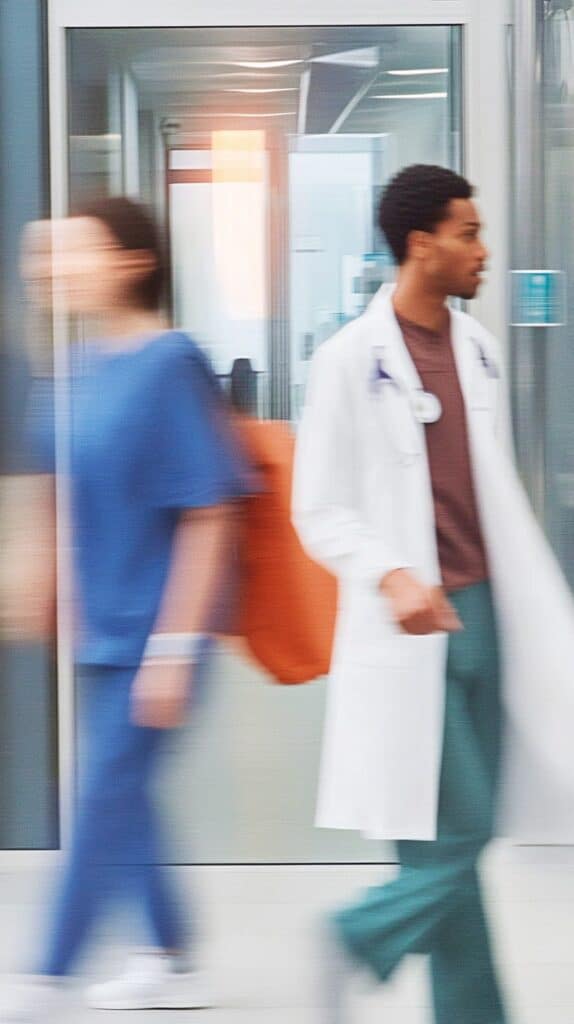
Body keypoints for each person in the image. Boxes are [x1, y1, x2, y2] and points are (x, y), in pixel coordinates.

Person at [292, 164, 574, 1024]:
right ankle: (357, 934)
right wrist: (391, 572)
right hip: (407, 627)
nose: (483, 251)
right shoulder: (347, 361)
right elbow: (318, 507)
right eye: (469, 233)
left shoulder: (477, 349)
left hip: (487, 611)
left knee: (445, 850)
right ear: (422, 246)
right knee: (460, 833)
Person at [1, 197, 252, 1020]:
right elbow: (61, 486)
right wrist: (45, 581)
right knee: (126, 795)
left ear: (134, 262)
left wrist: (176, 648)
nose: (59, 266)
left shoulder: (169, 360)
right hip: (101, 628)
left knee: (105, 794)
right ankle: (171, 959)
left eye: (81, 250)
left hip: (156, 625)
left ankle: (46, 974)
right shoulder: (73, 367)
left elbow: (211, 511)